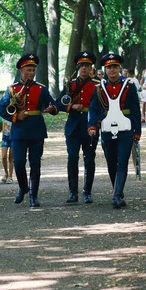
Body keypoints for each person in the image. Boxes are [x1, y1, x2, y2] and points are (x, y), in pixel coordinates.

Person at [0, 54, 57, 207]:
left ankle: (33, 195)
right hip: (19, 130)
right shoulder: (12, 89)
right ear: (21, 71)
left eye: (33, 70)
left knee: (35, 163)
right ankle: (23, 187)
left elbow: (53, 105)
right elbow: (1, 109)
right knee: (18, 162)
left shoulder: (41, 88)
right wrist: (16, 116)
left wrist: (52, 109)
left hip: (36, 129)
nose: (31, 73)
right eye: (28, 70)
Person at [88, 52, 141, 209]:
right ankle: (117, 192)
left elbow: (135, 110)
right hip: (107, 129)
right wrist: (91, 126)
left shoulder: (129, 86)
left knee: (122, 161)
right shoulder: (99, 88)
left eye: (114, 67)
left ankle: (116, 195)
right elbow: (93, 108)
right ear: (105, 69)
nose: (112, 70)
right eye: (109, 67)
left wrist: (137, 132)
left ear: (119, 68)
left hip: (125, 129)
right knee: (111, 162)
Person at [55, 51, 100, 204]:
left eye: (87, 65)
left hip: (90, 126)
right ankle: (72, 193)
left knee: (89, 159)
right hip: (73, 127)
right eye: (81, 65)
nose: (84, 68)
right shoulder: (71, 85)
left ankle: (87, 192)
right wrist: (71, 106)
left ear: (91, 67)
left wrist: (97, 123)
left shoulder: (97, 85)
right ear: (78, 67)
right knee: (72, 158)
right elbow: (58, 103)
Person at [0, 117, 14, 183]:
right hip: (5, 138)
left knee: (11, 158)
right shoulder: (2, 116)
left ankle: (10, 177)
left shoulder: (15, 114)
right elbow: (0, 128)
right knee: (3, 156)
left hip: (14, 138)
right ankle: (6, 173)